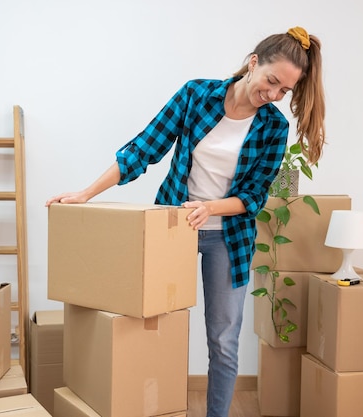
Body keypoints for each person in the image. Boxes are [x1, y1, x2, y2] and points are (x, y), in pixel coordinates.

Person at [46, 26, 326, 417]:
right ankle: (145, 406)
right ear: (253, 63)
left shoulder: (273, 128)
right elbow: (144, 148)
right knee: (146, 327)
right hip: (172, 230)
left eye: (284, 91)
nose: (274, 94)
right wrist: (86, 194)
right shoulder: (196, 95)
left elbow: (254, 197)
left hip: (228, 239)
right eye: (272, 81)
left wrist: (211, 208)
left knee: (224, 341)